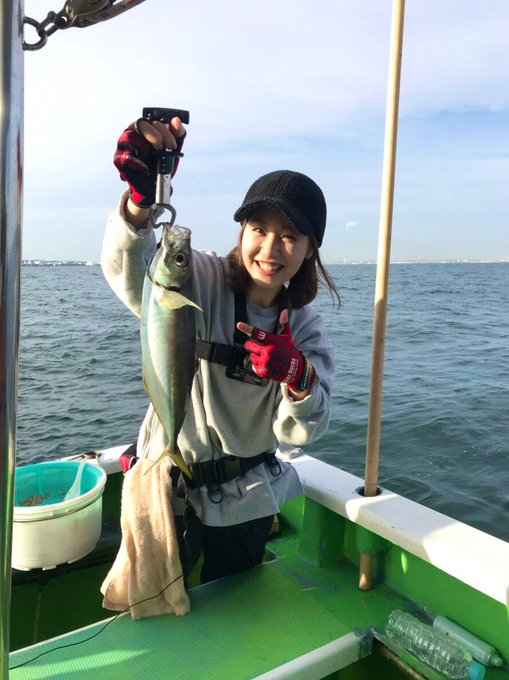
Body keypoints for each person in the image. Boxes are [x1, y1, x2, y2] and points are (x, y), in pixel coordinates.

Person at [101, 115, 339, 586]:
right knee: (156, 599)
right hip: (167, 486)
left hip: (246, 497)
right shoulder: (197, 277)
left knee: (234, 604)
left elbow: (300, 433)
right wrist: (139, 206)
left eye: (290, 236)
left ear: (310, 249)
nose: (270, 249)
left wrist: (299, 380)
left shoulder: (305, 329)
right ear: (242, 231)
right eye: (259, 229)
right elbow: (130, 273)